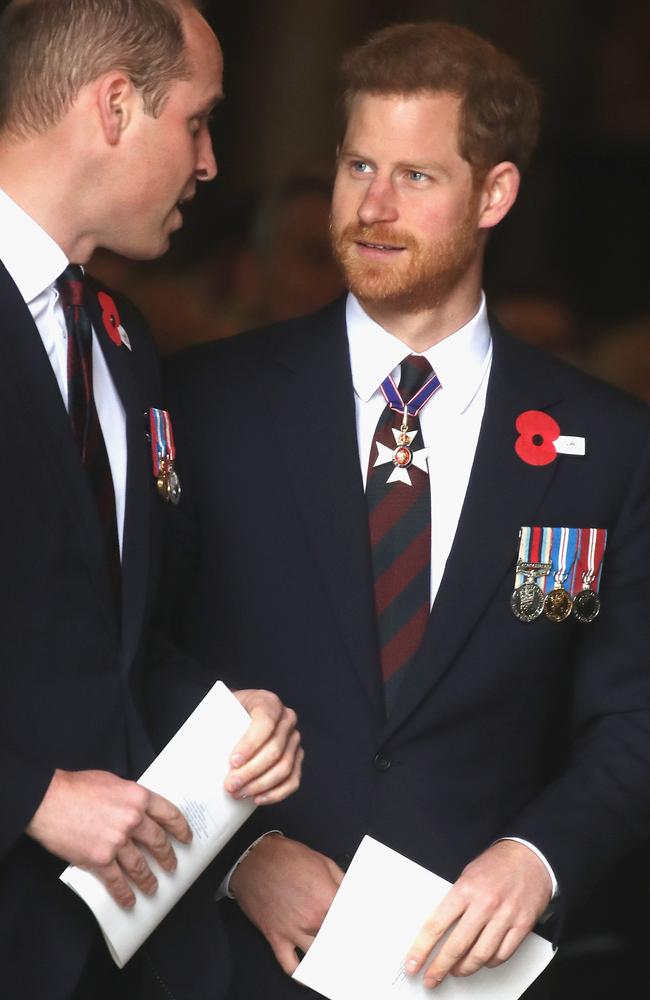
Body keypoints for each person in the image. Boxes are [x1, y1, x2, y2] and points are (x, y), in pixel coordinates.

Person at [163, 21, 650, 1000]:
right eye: (356, 166)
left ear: (494, 193)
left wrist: (538, 859)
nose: (372, 208)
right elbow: (131, 658)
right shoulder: (201, 403)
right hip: (232, 964)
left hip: (478, 974)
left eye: (416, 177)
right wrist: (235, 858)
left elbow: (631, 715)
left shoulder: (606, 445)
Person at [0, 2, 303, 999]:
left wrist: (228, 731)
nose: (210, 163)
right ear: (116, 106)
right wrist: (28, 794)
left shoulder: (123, 340)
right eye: (199, 120)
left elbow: (110, 636)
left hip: (116, 949)